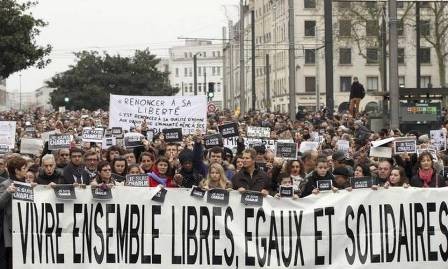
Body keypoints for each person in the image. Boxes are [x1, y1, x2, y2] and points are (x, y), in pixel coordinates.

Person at [0, 156, 29, 269]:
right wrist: (7, 192)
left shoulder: (27, 183)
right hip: (12, 229)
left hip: (25, 227)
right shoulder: (6, 184)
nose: (26, 170)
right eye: (24, 168)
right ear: (17, 170)